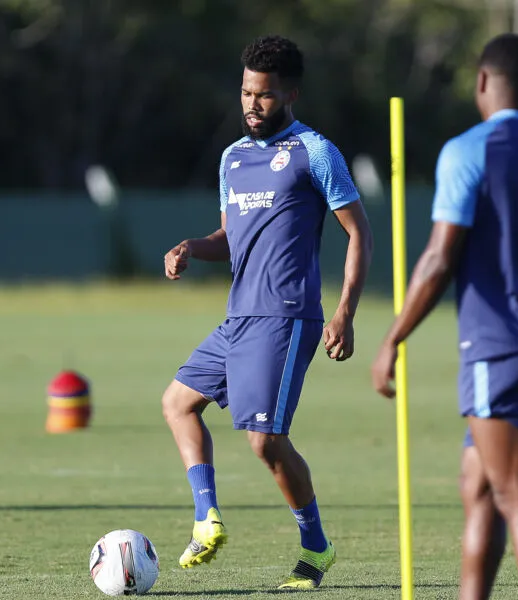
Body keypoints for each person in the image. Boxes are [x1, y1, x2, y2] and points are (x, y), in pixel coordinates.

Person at [371, 34, 518, 600]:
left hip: (498, 347)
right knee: (480, 487)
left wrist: (392, 338)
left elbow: (439, 258)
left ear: (479, 82)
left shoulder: (467, 150)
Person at [161, 35, 373, 590]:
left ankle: (316, 548)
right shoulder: (233, 157)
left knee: (264, 440)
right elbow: (230, 239)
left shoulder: (315, 152)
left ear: (291, 94)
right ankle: (207, 519)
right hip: (239, 317)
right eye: (247, 93)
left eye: (266, 96)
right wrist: (191, 247)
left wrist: (345, 311)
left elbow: (360, 234)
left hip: (286, 315)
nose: (253, 104)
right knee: (178, 403)